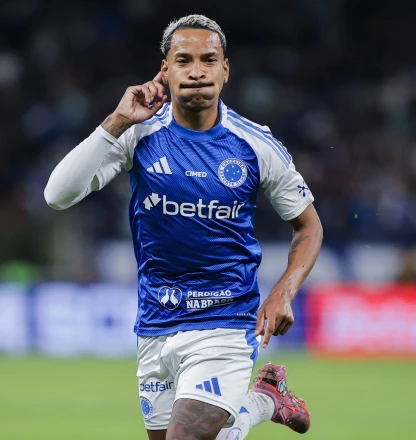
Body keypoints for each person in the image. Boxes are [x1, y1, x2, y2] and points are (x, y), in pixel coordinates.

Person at [44, 14, 323, 440]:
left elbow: (308, 227)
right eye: (184, 60)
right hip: (156, 321)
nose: (197, 71)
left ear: (225, 70)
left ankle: (263, 398)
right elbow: (57, 195)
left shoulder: (255, 145)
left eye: (208, 60)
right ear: (165, 71)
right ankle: (266, 399)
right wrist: (117, 120)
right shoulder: (138, 135)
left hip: (226, 318)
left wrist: (283, 290)